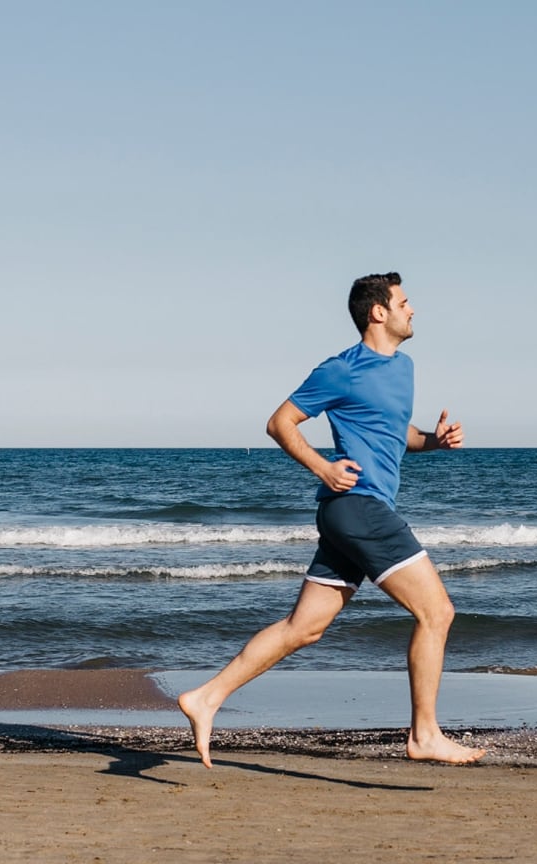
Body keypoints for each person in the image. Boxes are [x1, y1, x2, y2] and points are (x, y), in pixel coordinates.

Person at [177, 271, 485, 767]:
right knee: (437, 612)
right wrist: (322, 465)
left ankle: (206, 697)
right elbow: (280, 421)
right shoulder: (342, 369)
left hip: (354, 513)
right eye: (405, 302)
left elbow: (392, 430)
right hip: (358, 506)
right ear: (378, 312)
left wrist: (433, 440)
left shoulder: (403, 367)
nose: (413, 310)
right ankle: (425, 734)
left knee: (305, 628)